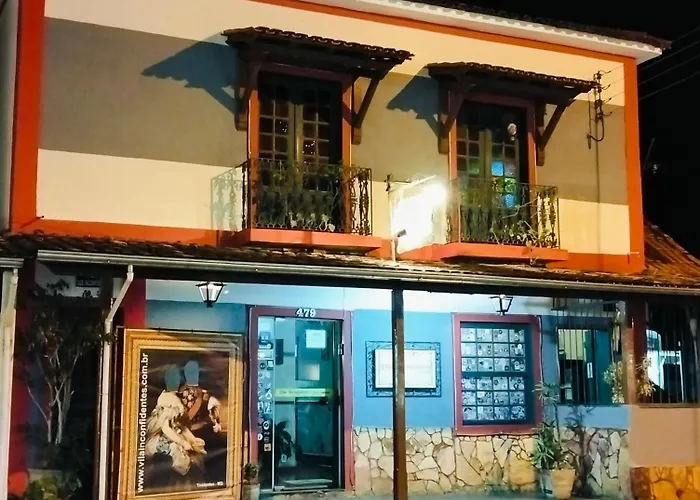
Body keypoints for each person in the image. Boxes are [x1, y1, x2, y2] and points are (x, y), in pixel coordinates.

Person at [144, 364, 206, 492]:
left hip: (176, 433)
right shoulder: (166, 399)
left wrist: (192, 439)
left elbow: (180, 425)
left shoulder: (176, 397)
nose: (177, 380)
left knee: (196, 453)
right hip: (166, 438)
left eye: (178, 377)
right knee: (181, 457)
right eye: (174, 377)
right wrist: (182, 442)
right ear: (168, 380)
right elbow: (166, 428)